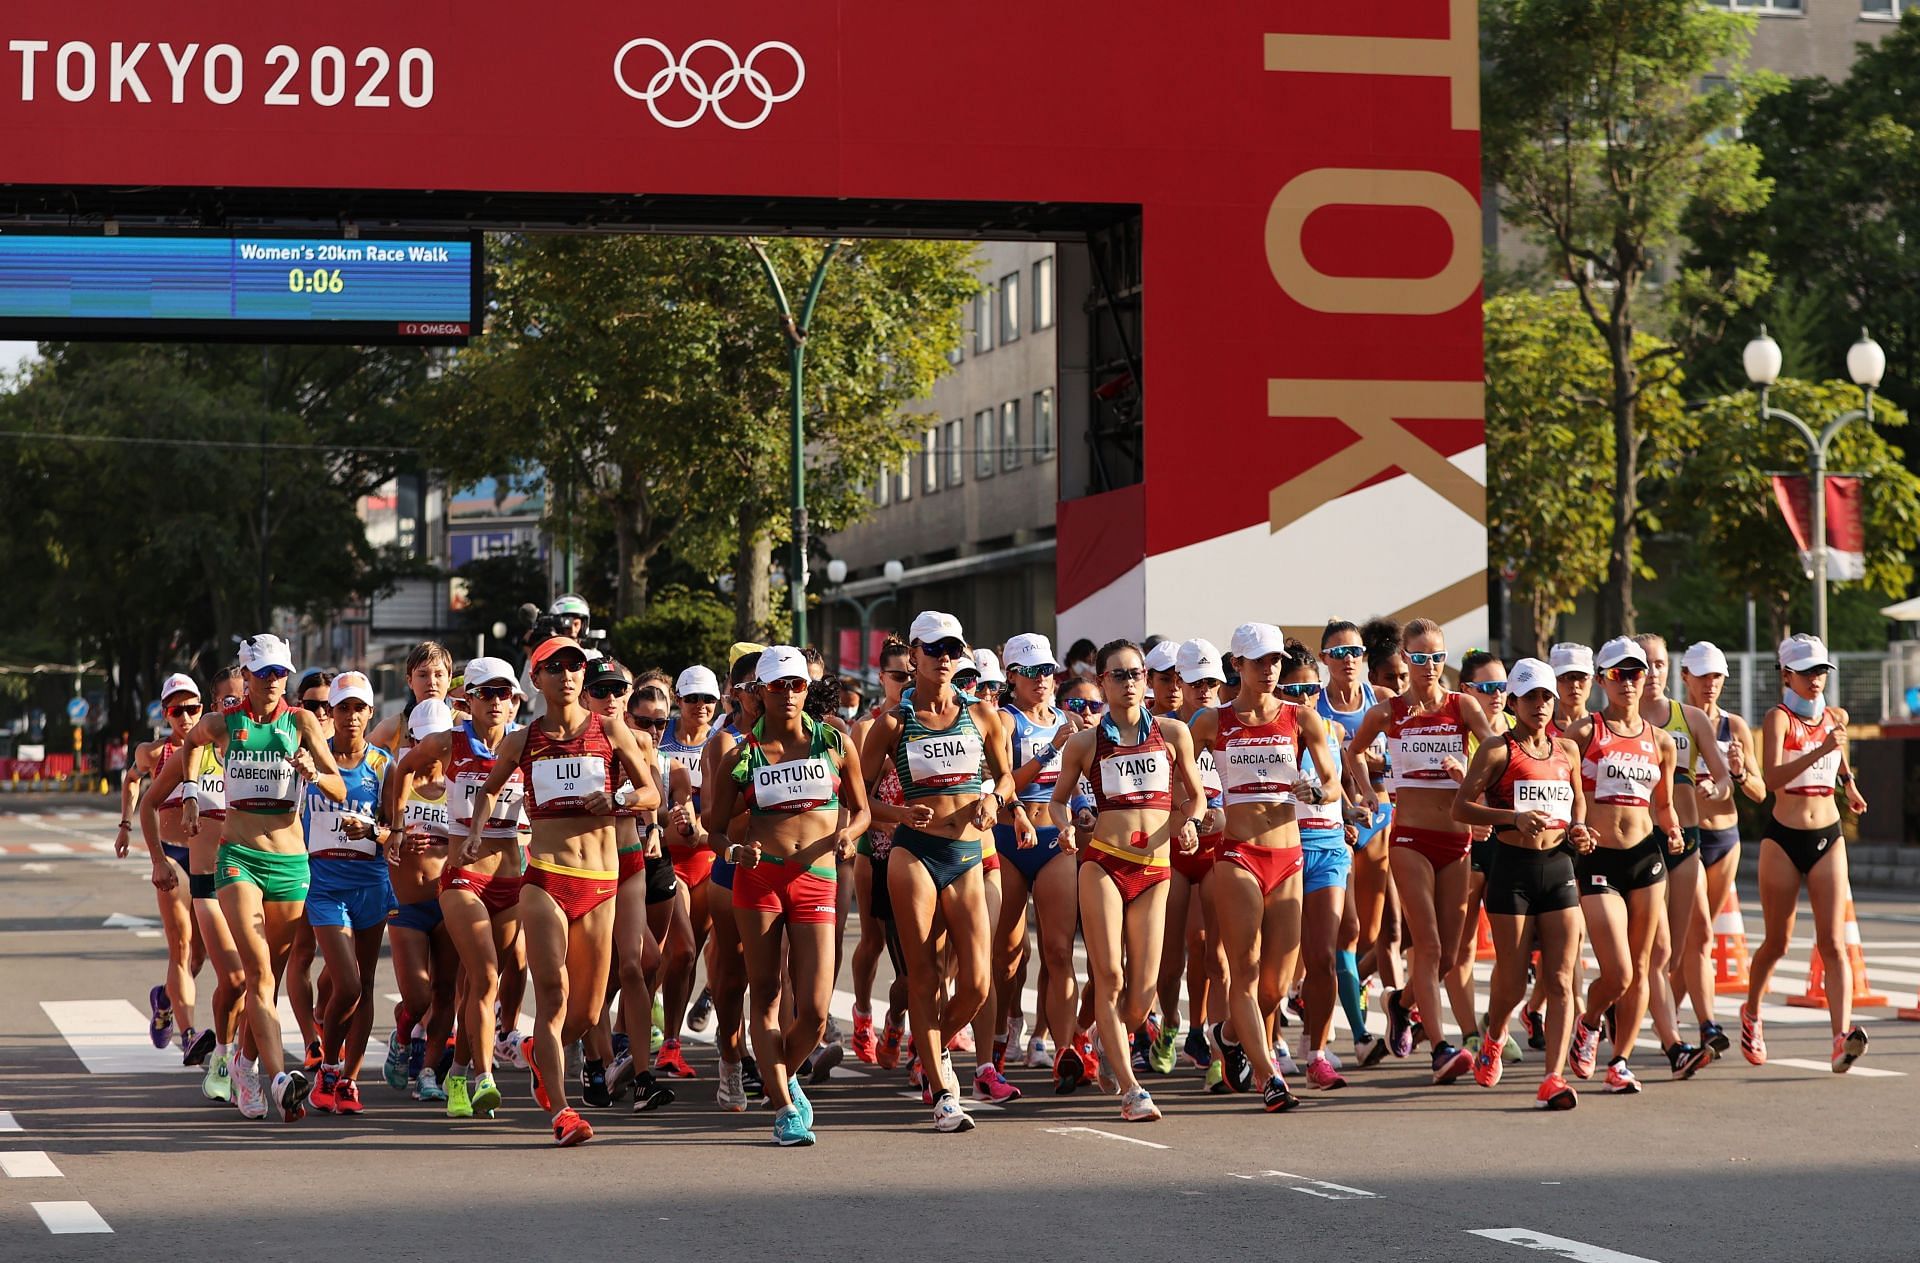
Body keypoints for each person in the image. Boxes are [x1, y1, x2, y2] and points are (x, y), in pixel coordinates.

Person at [142, 634, 345, 1122]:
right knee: (256, 972)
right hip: (238, 860)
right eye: (265, 674)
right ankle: (280, 1080)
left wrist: (312, 773)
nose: (274, 682)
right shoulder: (223, 723)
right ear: (247, 675)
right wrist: (191, 792)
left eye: (281, 674)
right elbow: (189, 745)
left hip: (292, 863)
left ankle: (243, 1062)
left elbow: (338, 786)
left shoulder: (301, 723)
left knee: (268, 979)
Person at [704, 646, 870, 1145]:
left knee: (816, 1012)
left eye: (797, 685)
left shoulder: (836, 744)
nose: (790, 694)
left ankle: (784, 1074)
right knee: (768, 994)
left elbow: (861, 810)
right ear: (759, 693)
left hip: (817, 878)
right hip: (761, 882)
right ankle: (782, 1109)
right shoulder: (741, 755)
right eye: (778, 686)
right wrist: (735, 851)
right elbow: (714, 832)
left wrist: (850, 836)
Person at [859, 611, 1017, 1133]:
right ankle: (945, 1094)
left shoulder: (984, 715)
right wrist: (900, 814)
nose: (945, 658)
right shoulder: (893, 723)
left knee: (975, 981)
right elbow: (856, 799)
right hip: (913, 854)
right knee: (924, 976)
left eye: (953, 648)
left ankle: (930, 1054)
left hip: (969, 854)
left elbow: (1007, 778)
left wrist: (995, 799)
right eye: (934, 650)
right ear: (915, 657)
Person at [1189, 625, 1343, 1112]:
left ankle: (1228, 1034)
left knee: (1276, 986)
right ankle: (1268, 1076)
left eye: (1274, 660)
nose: (1270, 669)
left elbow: (1333, 784)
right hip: (1237, 853)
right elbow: (1178, 773)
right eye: (1258, 662)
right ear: (1237, 666)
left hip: (1289, 856)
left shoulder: (1303, 718)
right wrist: (1198, 811)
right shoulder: (1212, 721)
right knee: (1246, 971)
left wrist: (1316, 793)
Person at [1051, 639, 1204, 1121]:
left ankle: (1104, 1038)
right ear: (1102, 683)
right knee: (1110, 976)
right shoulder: (1086, 741)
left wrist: (1191, 820)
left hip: (1155, 871)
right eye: (1119, 675)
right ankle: (1133, 1090)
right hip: (1103, 864)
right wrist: (1065, 826)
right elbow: (1058, 800)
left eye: (1137, 673)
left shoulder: (1174, 733)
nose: (1131, 682)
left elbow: (1195, 797)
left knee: (1142, 993)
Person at [1347, 619, 1496, 1084]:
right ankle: (1441, 1049)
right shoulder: (1389, 712)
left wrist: (1467, 774)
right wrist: (1370, 796)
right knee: (1427, 944)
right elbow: (1353, 753)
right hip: (1409, 838)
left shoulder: (1462, 706)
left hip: (1456, 839)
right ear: (1405, 661)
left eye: (1436, 657)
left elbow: (1496, 751)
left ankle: (1400, 1003)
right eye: (1419, 658)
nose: (1428, 666)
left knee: (1448, 957)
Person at [1452, 658, 1594, 1109]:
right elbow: (1461, 808)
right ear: (1512, 701)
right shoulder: (1497, 750)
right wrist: (1511, 817)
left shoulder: (1566, 750)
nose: (1540, 705)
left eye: (1546, 697)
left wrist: (1579, 830)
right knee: (1512, 983)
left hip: (1558, 868)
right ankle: (1493, 1035)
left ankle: (1553, 1077)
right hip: (1511, 869)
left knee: (1561, 977)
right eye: (1530, 696)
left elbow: (1578, 804)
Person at [400, 656, 526, 1120]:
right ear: (467, 699)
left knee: (479, 986)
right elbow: (401, 771)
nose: (497, 703)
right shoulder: (447, 742)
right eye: (487, 693)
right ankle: (483, 1077)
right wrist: (395, 828)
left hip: (510, 878)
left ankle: (456, 1071)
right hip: (461, 877)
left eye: (506, 694)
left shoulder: (525, 744)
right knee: (486, 976)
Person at [1741, 635, 1872, 1073]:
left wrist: (1849, 784)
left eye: (1821, 672)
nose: (1816, 680)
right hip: (1784, 838)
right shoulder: (1777, 718)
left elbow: (1839, 759)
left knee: (1833, 942)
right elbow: (1774, 777)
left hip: (1828, 835)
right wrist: (1821, 750)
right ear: (1786, 674)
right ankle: (1752, 1013)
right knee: (1776, 943)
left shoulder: (1836, 717)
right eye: (1807, 671)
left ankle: (1840, 1038)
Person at [1563, 637, 1684, 1095]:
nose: (1629, 682)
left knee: (1642, 961)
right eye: (1618, 674)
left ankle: (1620, 1060)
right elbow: (1561, 785)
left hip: (1646, 859)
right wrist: (1574, 827)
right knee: (1620, 971)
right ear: (1601, 680)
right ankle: (1590, 1020)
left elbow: (1665, 805)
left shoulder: (1661, 742)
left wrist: (1672, 830)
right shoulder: (1584, 733)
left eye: (1635, 673)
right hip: (1598, 858)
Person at [1634, 633, 1733, 1079]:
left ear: (1668, 669)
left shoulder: (1689, 717)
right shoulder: (1620, 722)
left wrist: (1716, 785)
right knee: (1652, 952)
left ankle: (1628, 1016)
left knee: (1677, 949)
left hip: (1686, 841)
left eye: (1657, 664)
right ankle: (1673, 1042)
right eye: (1641, 666)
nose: (1651, 674)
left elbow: (1725, 776)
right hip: (1639, 842)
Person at [584, 659, 678, 1115]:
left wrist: (623, 800)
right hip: (582, 864)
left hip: (629, 858)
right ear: (585, 696)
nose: (610, 699)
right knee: (596, 973)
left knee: (639, 964)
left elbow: (654, 797)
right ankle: (595, 1061)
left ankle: (642, 1075)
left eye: (618, 690)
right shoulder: (565, 740)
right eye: (600, 690)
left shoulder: (640, 740)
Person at [302, 672, 396, 1116]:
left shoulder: (383, 765)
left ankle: (349, 1081)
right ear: (331, 713)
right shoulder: (310, 761)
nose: (351, 717)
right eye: (343, 708)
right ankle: (329, 1064)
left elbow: (393, 830)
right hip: (324, 885)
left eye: (359, 708)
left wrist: (372, 830)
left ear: (370, 713)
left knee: (367, 985)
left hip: (370, 883)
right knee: (349, 982)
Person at [1677, 640, 1763, 1057]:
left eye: (1717, 676)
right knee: (1700, 935)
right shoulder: (1675, 724)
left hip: (1726, 838)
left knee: (1694, 941)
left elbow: (1762, 793)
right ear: (1685, 677)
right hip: (1687, 837)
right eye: (1703, 675)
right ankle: (1706, 1027)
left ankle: (1664, 1021)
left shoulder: (1735, 726)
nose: (1711, 684)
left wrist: (1741, 772)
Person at [123, 672, 211, 1066]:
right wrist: (126, 826)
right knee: (181, 944)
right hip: (172, 855)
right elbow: (130, 781)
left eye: (193, 708)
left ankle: (164, 998)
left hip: (208, 856)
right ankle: (189, 1034)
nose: (186, 716)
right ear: (165, 713)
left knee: (199, 956)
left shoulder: (215, 749)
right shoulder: (154, 753)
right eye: (177, 710)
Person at [1314, 622, 1389, 1068]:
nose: (1348, 660)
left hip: (1377, 820)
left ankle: (1329, 996)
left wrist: (1379, 764)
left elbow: (1405, 751)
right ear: (1325, 659)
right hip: (1331, 823)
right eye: (1338, 653)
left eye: (1355, 652)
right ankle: (1355, 1034)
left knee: (1370, 934)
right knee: (1344, 930)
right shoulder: (1313, 703)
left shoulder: (1380, 700)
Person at [381, 698, 461, 1105]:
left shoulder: (459, 782)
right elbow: (369, 828)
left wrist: (447, 841)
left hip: (448, 900)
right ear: (411, 738)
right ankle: (402, 1031)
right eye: (423, 738)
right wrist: (394, 835)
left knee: (446, 991)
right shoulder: (397, 777)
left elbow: (481, 840)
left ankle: (428, 1070)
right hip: (407, 903)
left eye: (440, 739)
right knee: (418, 997)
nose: (433, 748)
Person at [1156, 638, 1229, 1080]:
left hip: (1218, 851)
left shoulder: (1230, 725)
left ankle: (1214, 1047)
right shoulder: (1161, 729)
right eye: (1196, 681)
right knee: (1170, 958)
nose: (1205, 690)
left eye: (1213, 682)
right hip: (1172, 852)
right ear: (1178, 682)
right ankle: (1170, 1023)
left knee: (1214, 954)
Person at [849, 641, 914, 1069]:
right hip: (875, 848)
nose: (907, 682)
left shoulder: (931, 720)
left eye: (913, 674)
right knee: (873, 941)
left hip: (923, 850)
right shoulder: (866, 729)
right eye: (899, 676)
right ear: (882, 678)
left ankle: (897, 1018)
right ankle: (862, 1014)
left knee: (918, 957)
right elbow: (854, 799)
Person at [657, 665, 720, 1060]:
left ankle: (674, 1039)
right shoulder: (659, 737)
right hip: (667, 856)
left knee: (693, 951)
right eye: (692, 698)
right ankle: (661, 1037)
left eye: (708, 699)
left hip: (709, 855)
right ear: (678, 700)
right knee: (678, 951)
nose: (700, 706)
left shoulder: (722, 741)